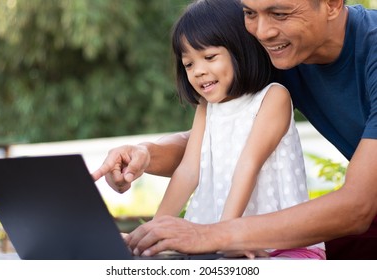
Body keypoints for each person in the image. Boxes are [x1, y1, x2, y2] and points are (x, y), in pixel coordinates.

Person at [92, 0, 377, 260]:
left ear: (331, 4)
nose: (262, 32)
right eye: (250, 13)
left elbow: (358, 205)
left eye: (279, 13)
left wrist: (214, 235)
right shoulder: (280, 51)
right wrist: (145, 155)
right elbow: (221, 138)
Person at [150, 0, 325, 259]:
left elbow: (248, 164)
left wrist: (224, 237)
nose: (198, 71)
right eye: (188, 64)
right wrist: (154, 232)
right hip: (219, 245)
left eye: (209, 57)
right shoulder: (206, 109)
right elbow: (188, 172)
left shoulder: (273, 97)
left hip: (282, 247)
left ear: (240, 51)